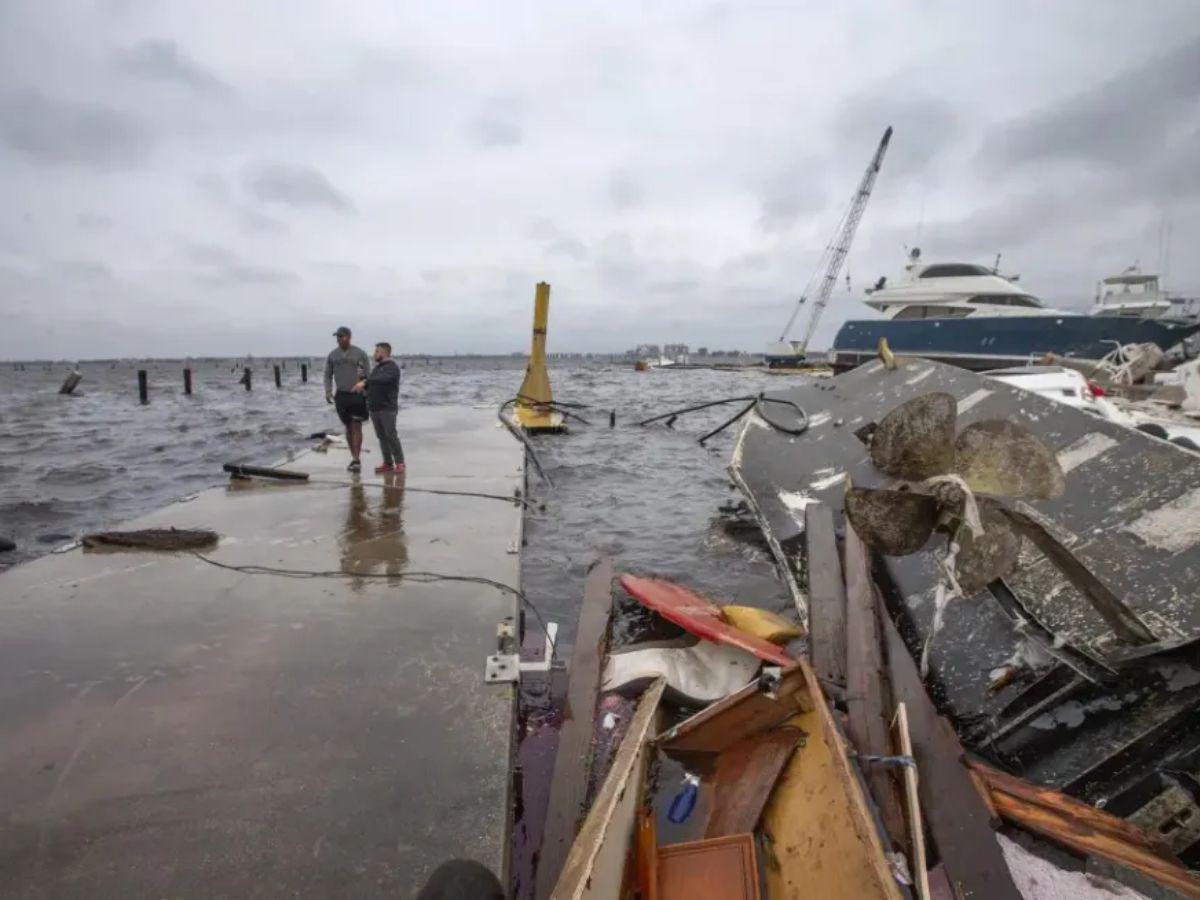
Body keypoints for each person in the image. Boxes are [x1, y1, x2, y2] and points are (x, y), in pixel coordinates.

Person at [324, 326, 371, 472]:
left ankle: (357, 459)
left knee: (356, 425)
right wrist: (328, 390)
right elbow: (327, 374)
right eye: (337, 337)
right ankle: (353, 456)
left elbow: (368, 375)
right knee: (348, 427)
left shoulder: (360, 353)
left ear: (349, 337)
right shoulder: (332, 355)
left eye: (341, 336)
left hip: (357, 394)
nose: (339, 339)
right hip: (341, 395)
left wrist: (366, 391)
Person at [355, 341, 405, 474]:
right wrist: (362, 379)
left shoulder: (392, 368)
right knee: (381, 437)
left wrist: (366, 381)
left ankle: (400, 463)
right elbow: (371, 383)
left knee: (391, 435)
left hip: (387, 408)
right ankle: (388, 463)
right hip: (374, 408)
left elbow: (384, 379)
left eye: (377, 351)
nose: (374, 354)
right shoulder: (376, 368)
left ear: (384, 352)